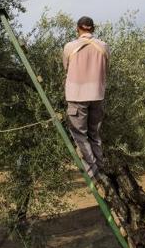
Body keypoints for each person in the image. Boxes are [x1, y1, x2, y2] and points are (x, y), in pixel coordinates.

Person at [63, 16, 110, 179]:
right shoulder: (104, 46)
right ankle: (100, 167)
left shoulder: (70, 47)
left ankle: (93, 173)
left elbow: (66, 68)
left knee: (80, 136)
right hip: (97, 95)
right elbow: (106, 68)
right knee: (94, 135)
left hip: (76, 96)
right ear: (93, 29)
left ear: (78, 28)